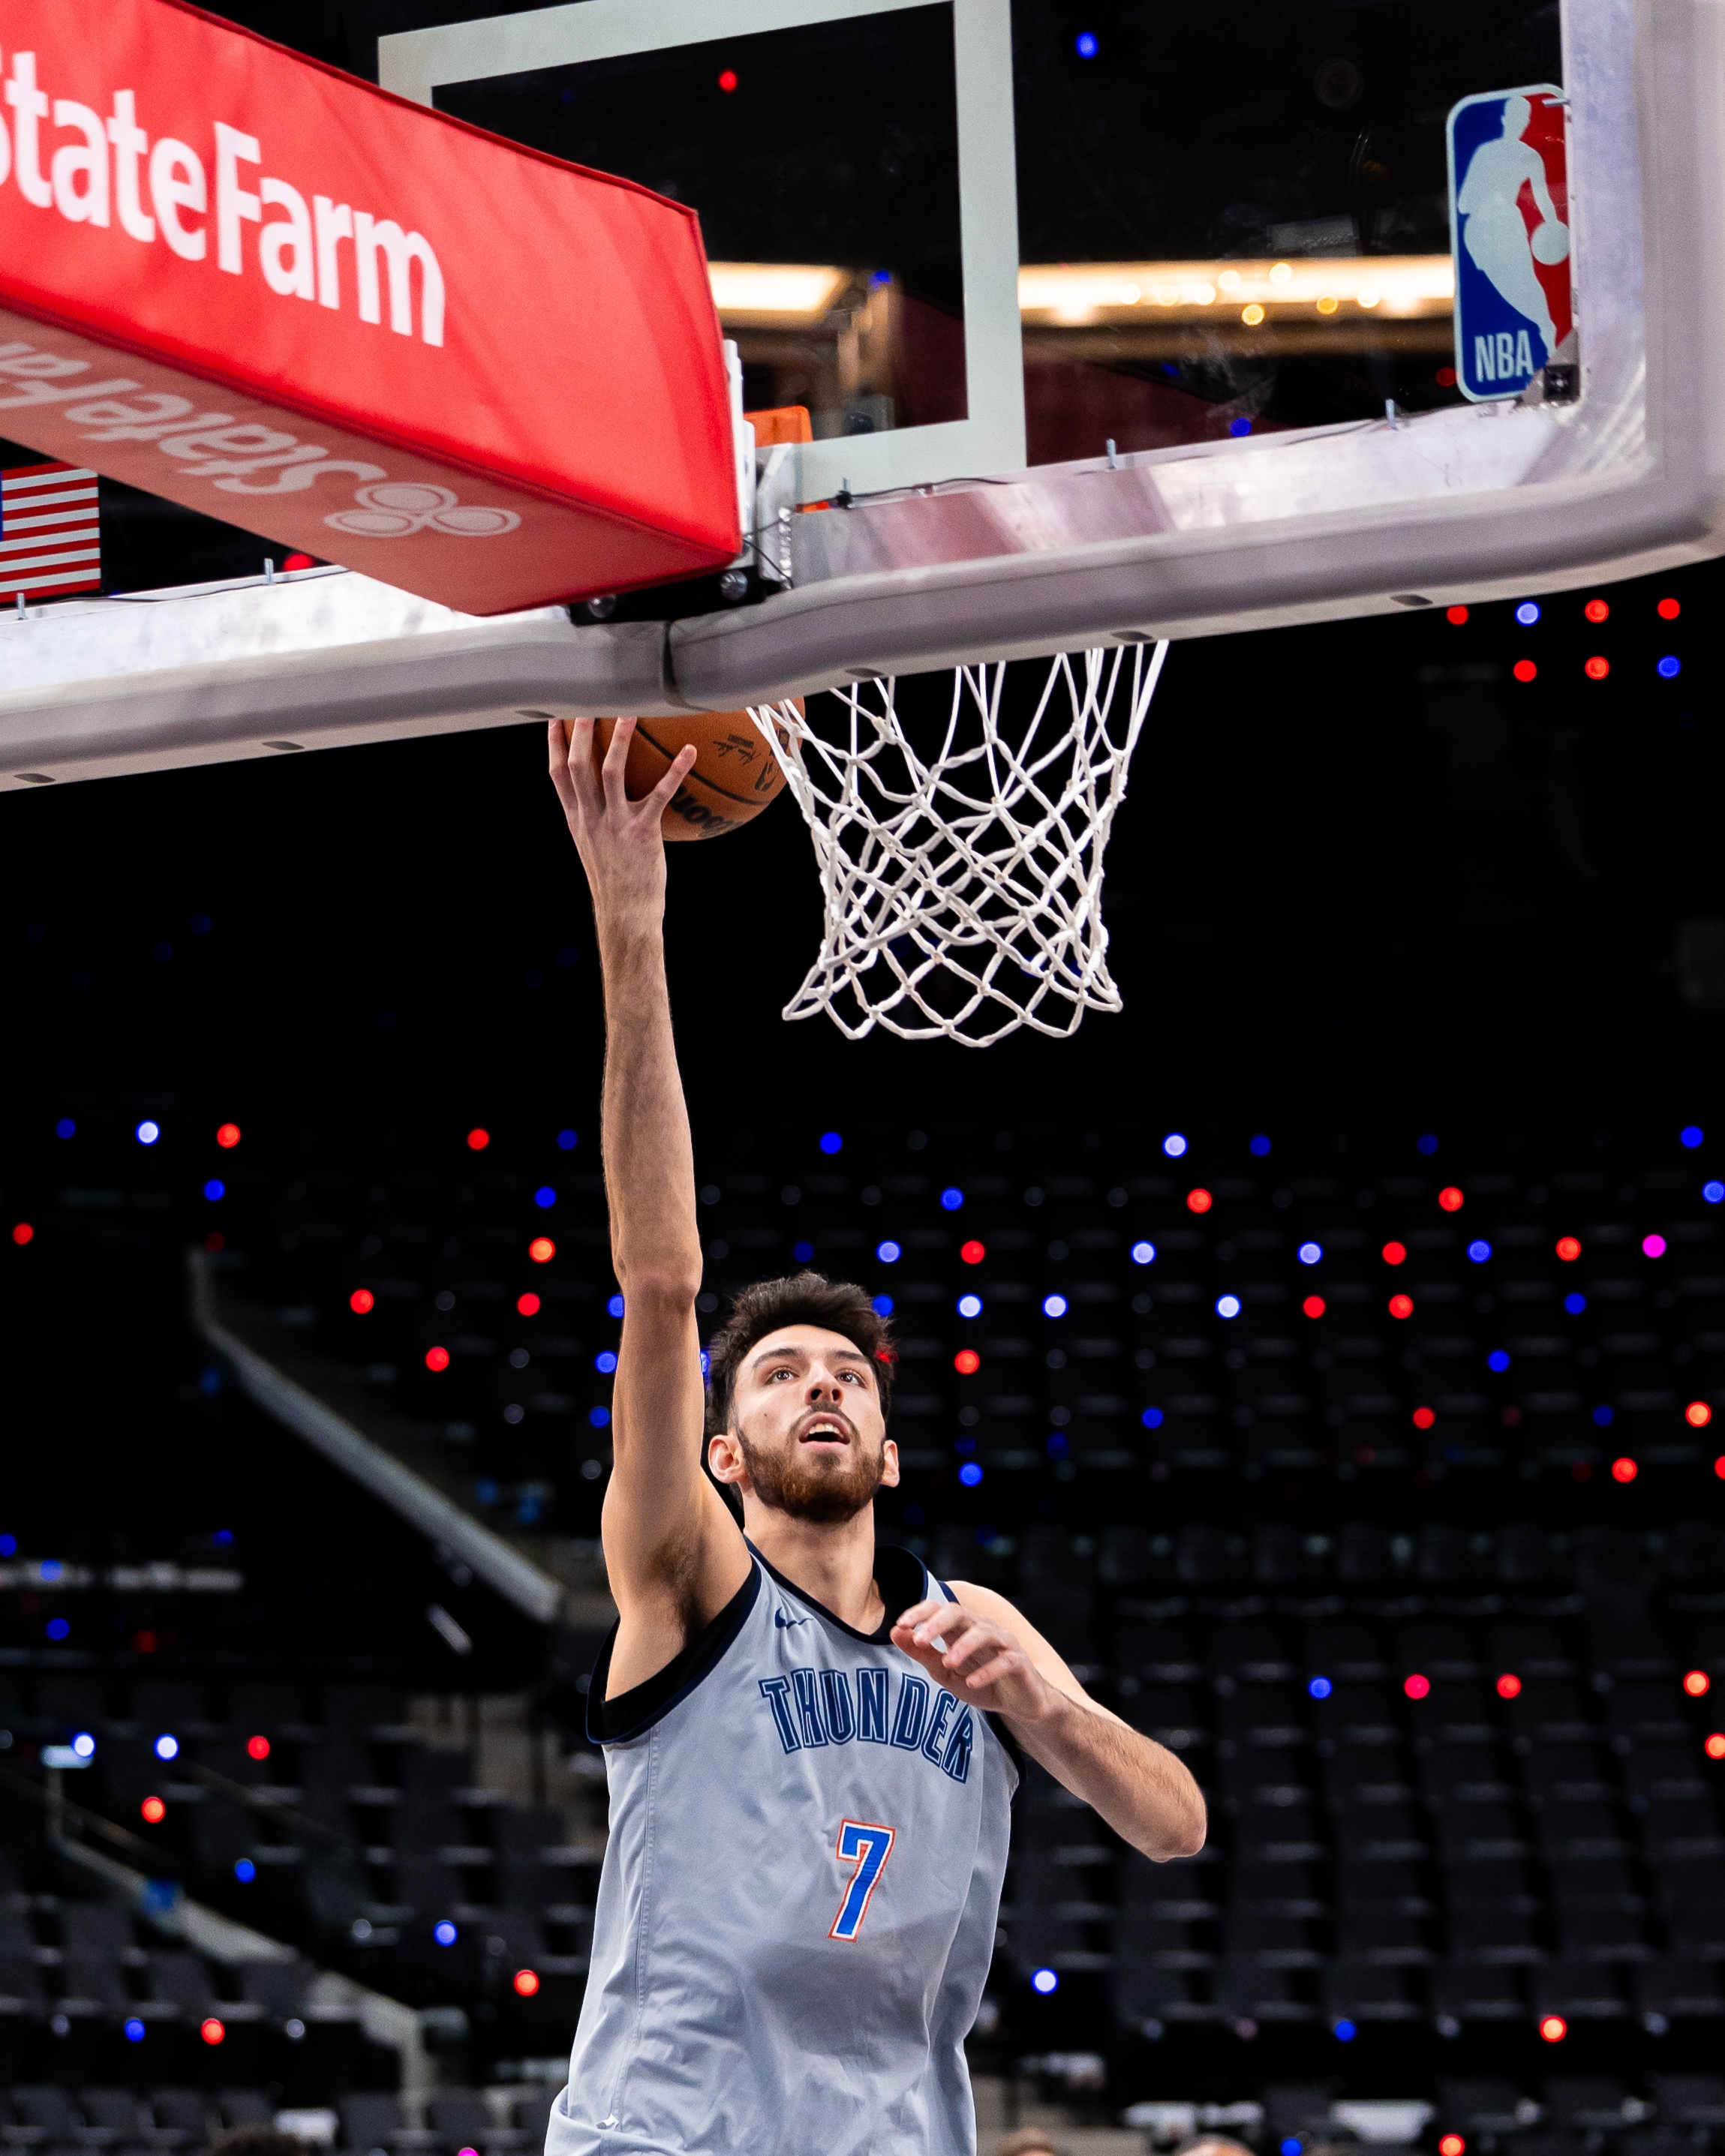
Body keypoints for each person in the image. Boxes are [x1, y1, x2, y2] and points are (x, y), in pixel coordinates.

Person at [542, 716, 1207, 2156]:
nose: (821, 1388)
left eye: (848, 1373)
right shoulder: (690, 1586)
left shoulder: (972, 1630)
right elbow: (660, 1280)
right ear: (724, 1452)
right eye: (777, 1375)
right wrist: (631, 920)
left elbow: (1175, 1825)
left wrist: (1052, 1707)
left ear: (892, 1451)